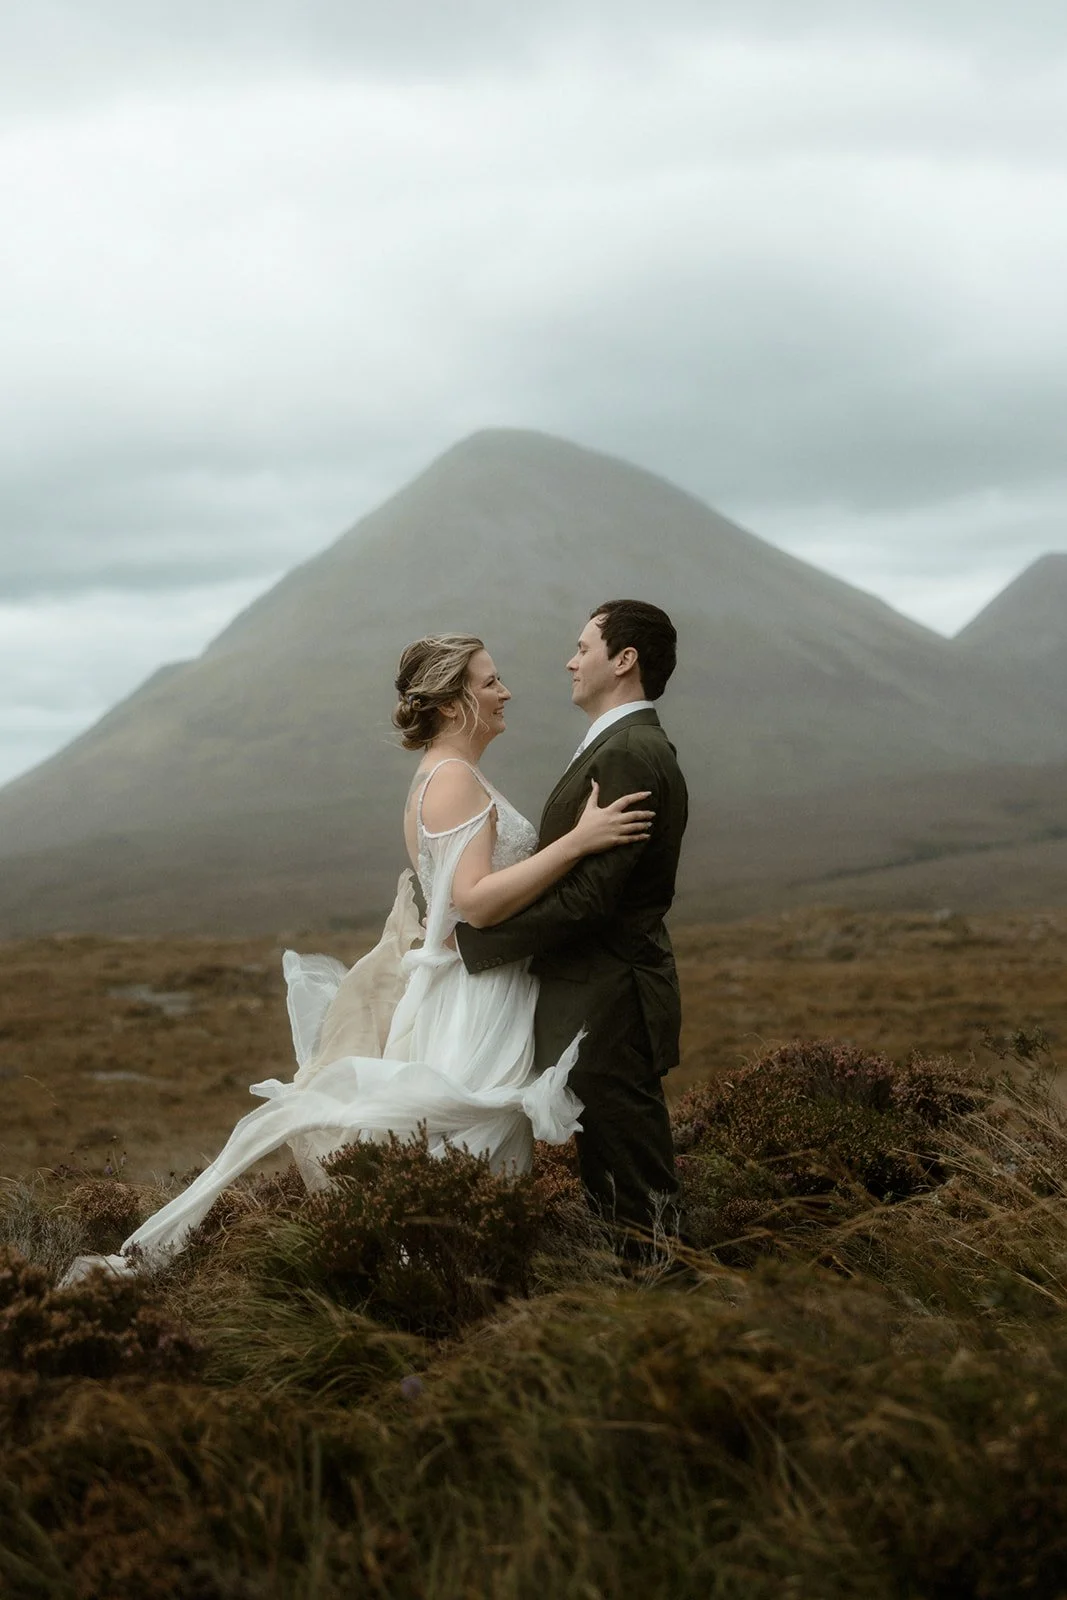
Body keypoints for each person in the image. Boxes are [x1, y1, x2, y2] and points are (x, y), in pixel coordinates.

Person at [60, 633, 653, 1284]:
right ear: (455, 704)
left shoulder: (451, 772)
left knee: (461, 1155)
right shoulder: (451, 779)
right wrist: (577, 845)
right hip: (474, 999)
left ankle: (446, 1289)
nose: (504, 691)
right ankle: (443, 1291)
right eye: (490, 682)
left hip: (479, 984)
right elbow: (475, 904)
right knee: (467, 1152)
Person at [456, 600, 687, 1236]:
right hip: (599, 999)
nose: (570, 660)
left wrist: (480, 941)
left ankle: (672, 1309)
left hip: (610, 1002)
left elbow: (592, 899)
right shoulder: (619, 745)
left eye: (583, 647)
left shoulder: (628, 754)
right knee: (616, 1184)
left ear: (624, 660)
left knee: (635, 1193)